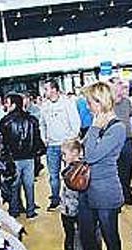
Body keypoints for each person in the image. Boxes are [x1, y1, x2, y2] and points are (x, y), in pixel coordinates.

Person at [75, 82, 125, 250]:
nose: (87, 106)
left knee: (109, 236)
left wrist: (94, 129)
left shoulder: (117, 128)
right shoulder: (97, 124)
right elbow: (84, 147)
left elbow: (90, 156)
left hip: (106, 192)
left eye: (89, 102)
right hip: (86, 190)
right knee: (87, 234)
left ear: (100, 101)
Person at [0, 93, 44, 219]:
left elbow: (4, 142)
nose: (5, 105)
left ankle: (14, 211)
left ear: (13, 104)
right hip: (29, 158)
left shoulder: (5, 121)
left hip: (13, 159)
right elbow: (37, 139)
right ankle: (30, 211)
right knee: (29, 185)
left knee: (14, 186)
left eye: (7, 102)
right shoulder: (32, 119)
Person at [40, 79, 82, 211]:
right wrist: (44, 138)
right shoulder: (45, 106)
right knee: (53, 175)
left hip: (67, 145)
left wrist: (72, 139)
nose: (45, 92)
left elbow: (75, 121)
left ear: (54, 89)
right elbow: (42, 124)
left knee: (71, 173)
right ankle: (55, 199)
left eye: (46, 89)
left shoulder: (67, 103)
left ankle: (73, 198)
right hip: (51, 145)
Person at [59, 138, 88, 250]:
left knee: (79, 236)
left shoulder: (82, 169)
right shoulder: (67, 168)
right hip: (66, 209)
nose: (63, 157)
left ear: (76, 152)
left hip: (76, 210)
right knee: (69, 237)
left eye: (65, 154)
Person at [113, 79, 132, 206]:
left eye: (123, 87)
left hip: (128, 139)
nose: (122, 89)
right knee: (116, 170)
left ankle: (127, 195)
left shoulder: (128, 102)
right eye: (120, 87)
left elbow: (129, 116)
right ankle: (118, 197)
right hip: (114, 141)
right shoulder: (108, 104)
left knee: (128, 169)